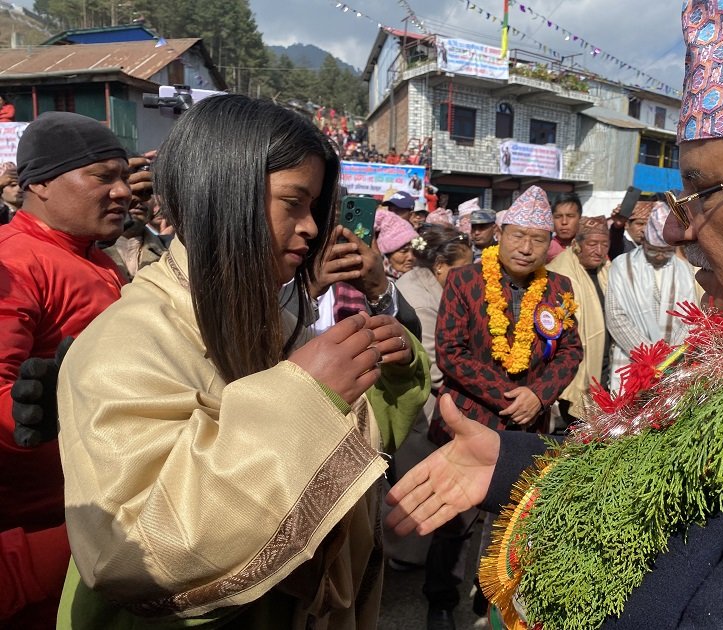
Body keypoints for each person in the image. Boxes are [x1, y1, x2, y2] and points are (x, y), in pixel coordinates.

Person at [386, 0, 723, 627]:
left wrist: (534, 396)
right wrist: (516, 459)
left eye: (703, 191)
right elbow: (662, 475)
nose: (679, 232)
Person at [56, 95, 430, 628]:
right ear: (221, 196)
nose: (309, 230)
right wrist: (304, 396)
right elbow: (130, 549)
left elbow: (351, 450)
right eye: (292, 203)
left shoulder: (268, 318)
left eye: (315, 209)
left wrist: (387, 369)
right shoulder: (124, 345)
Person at [423, 186, 583, 629]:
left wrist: (539, 395)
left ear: (548, 243)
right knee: (454, 517)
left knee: (509, 519)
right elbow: (451, 353)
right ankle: (439, 599)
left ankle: (489, 597)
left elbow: (571, 350)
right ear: (500, 233)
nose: (526, 247)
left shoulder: (559, 288)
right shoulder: (465, 280)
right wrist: (509, 398)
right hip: (469, 418)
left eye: (536, 238)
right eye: (517, 236)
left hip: (528, 424)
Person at [0, 112, 132, 628]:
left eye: (125, 175)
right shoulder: (16, 264)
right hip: (41, 540)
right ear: (40, 185)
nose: (122, 191)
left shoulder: (99, 258)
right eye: (103, 177)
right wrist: (61, 410)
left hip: (96, 514)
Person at [385, 225, 472, 570]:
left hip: (424, 396)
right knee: (417, 481)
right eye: (462, 267)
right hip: (420, 402)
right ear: (439, 266)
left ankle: (414, 551)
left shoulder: (430, 286)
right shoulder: (419, 297)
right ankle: (407, 555)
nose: (468, 275)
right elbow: (433, 364)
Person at [605, 202, 698, 390]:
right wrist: (649, 356)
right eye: (654, 250)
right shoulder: (622, 266)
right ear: (644, 241)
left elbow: (691, 317)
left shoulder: (683, 269)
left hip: (672, 363)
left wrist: (670, 357)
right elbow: (616, 316)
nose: (659, 257)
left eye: (665, 251)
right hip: (631, 360)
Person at [546, 216, 611, 421]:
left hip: (605, 366)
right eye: (592, 244)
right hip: (574, 367)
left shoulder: (607, 271)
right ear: (576, 245)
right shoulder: (560, 272)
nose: (599, 251)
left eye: (604, 245)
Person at [375, 209, 418, 279]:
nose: (411, 257)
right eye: (404, 251)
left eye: (415, 251)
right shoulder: (377, 283)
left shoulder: (421, 278)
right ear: (386, 256)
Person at [546, 191, 582, 262]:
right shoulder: (545, 248)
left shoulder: (590, 248)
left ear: (580, 218)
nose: (564, 222)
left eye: (570, 216)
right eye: (558, 216)